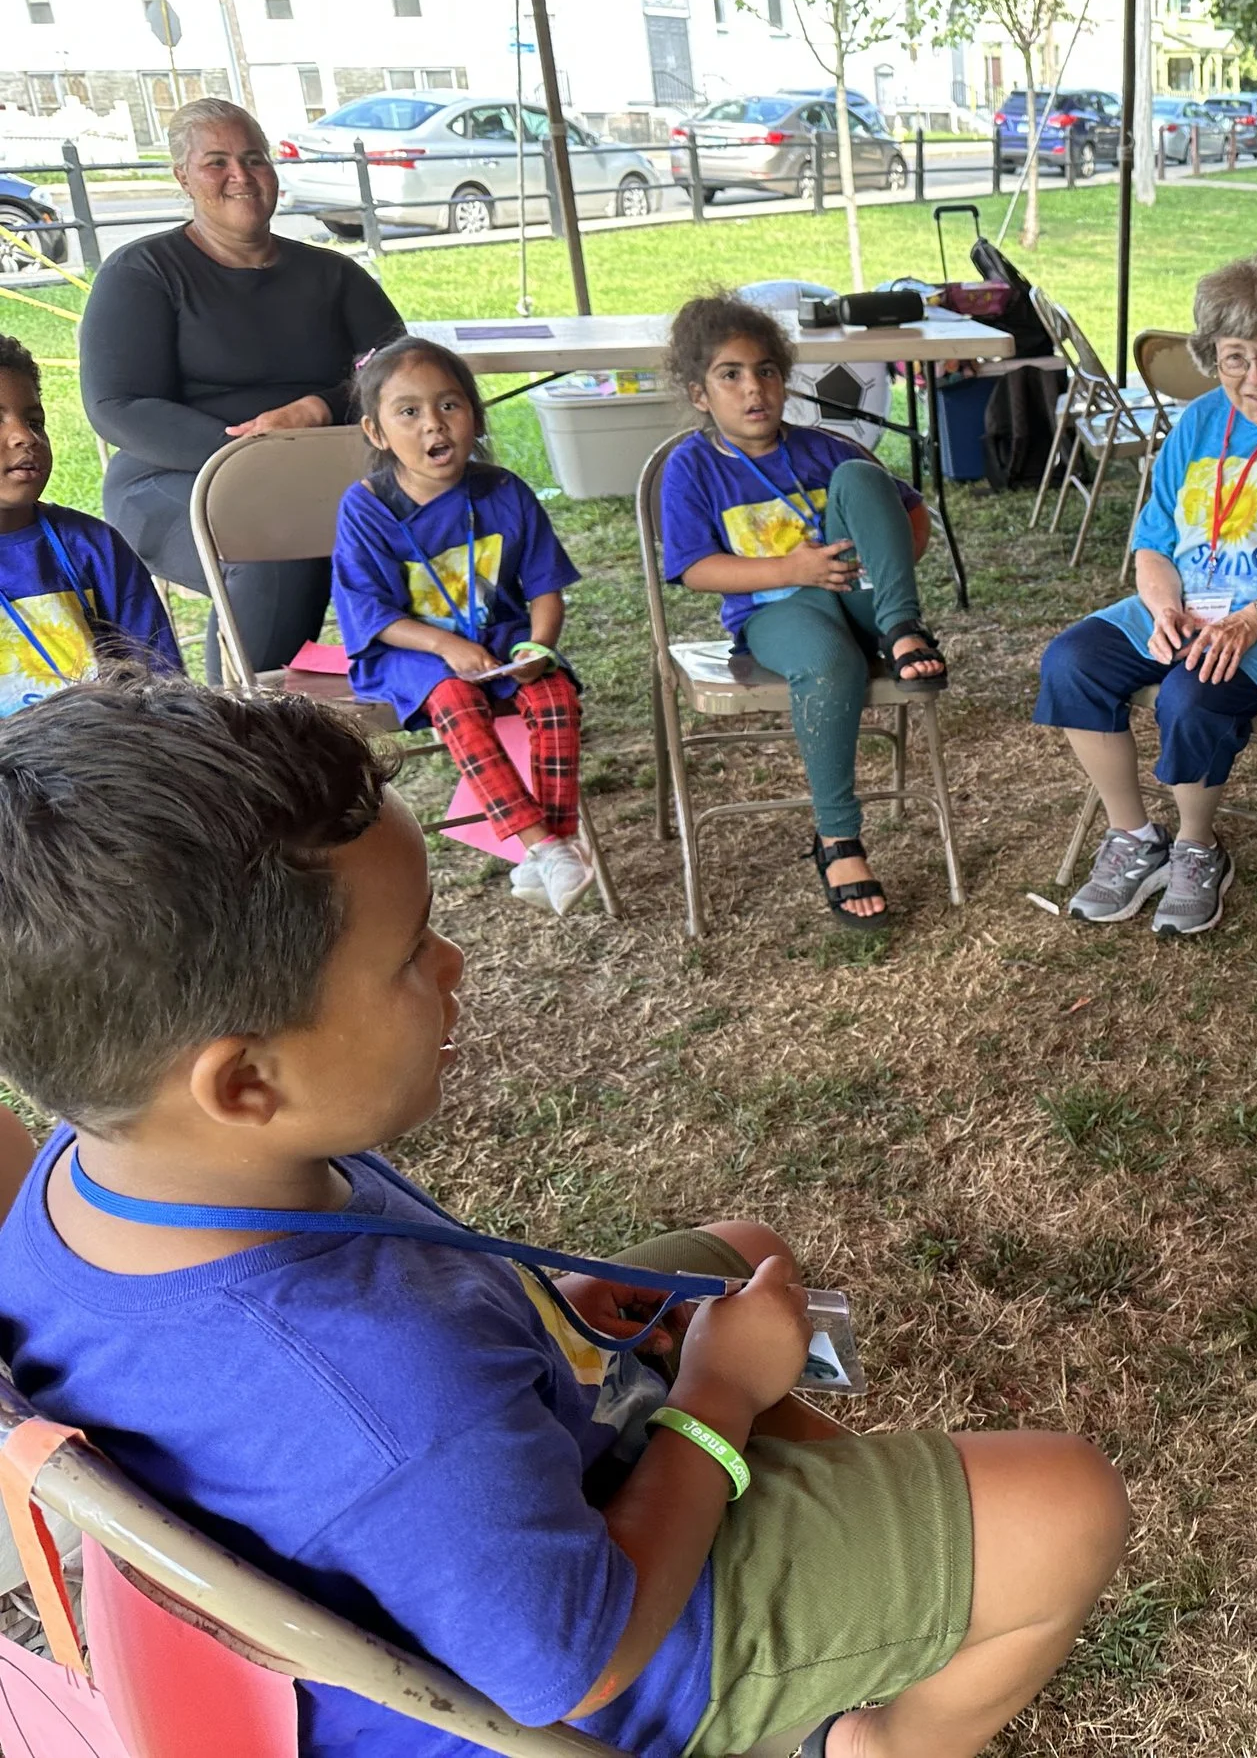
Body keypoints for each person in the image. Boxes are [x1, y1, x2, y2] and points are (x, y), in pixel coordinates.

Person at [0, 673, 1129, 1758]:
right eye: (407, 958)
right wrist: (715, 1402)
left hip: (467, 1516)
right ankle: (870, 1738)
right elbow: (575, 1665)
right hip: (591, 1673)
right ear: (244, 1084)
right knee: (1067, 1505)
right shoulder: (385, 1389)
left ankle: (853, 1520)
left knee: (741, 1256)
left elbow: (378, 1399)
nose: (454, 963)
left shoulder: (96, 1173)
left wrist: (560, 1327)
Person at [1037, 252, 1257, 938]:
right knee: (1071, 660)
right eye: (1233, 359)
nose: (1253, 380)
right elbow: (1155, 546)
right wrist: (1164, 607)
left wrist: (1256, 620)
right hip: (1195, 601)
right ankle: (1134, 837)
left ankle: (1198, 846)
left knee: (1191, 690)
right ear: (1211, 357)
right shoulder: (1197, 424)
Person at [78, 99, 404, 679]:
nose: (241, 176)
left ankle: (451, 693)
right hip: (175, 476)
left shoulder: (333, 275)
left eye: (254, 159)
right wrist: (247, 459)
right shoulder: (144, 273)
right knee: (270, 543)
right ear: (183, 177)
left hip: (327, 469)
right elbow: (116, 405)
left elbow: (398, 369)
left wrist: (318, 408)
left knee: (458, 514)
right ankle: (243, 729)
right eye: (217, 162)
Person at [658, 294, 944, 930]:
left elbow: (909, 513)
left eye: (766, 370)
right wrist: (793, 570)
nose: (752, 388)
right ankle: (838, 841)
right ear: (700, 394)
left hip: (865, 601)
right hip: (777, 614)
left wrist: (887, 571)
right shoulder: (694, 467)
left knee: (863, 478)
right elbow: (694, 568)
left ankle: (902, 627)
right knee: (829, 662)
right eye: (729, 375)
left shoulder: (822, 447)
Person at [333, 336, 595, 916]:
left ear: (474, 414)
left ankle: (553, 846)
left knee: (553, 694)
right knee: (454, 699)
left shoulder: (504, 491)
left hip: (500, 640)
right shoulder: (367, 507)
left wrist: (538, 646)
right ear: (377, 433)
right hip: (409, 649)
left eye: (449, 405)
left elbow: (546, 590)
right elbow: (373, 615)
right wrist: (443, 644)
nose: (435, 425)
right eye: (410, 412)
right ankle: (542, 843)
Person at [0, 333, 182, 711]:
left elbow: (164, 692)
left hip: (105, 761)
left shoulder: (94, 547)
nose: (24, 437)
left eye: (35, 421)